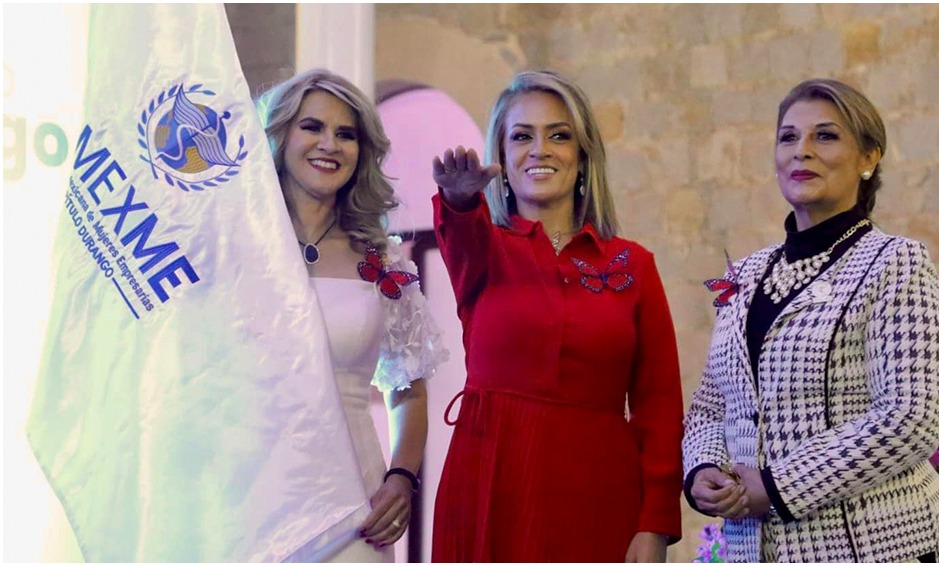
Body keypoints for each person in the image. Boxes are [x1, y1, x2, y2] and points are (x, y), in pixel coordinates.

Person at [682, 78, 939, 562]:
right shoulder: (745, 274)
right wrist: (703, 469)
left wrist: (777, 486)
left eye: (825, 136)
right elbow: (712, 406)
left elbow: (910, 418)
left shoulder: (895, 263)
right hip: (755, 549)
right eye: (788, 137)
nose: (802, 150)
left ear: (868, 158)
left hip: (880, 546)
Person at [429, 70, 684, 562]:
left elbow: (659, 407)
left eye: (559, 135)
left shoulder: (633, 265)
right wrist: (460, 200)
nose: (540, 150)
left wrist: (654, 523)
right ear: (501, 157)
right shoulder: (482, 248)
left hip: (598, 494)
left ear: (583, 155)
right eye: (522, 136)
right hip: (490, 485)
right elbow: (460, 236)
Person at [257, 68, 447, 562]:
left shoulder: (381, 260)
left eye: (346, 134)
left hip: (352, 504)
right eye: (312, 127)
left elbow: (408, 390)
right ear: (280, 135)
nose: (330, 144)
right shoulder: (238, 247)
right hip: (247, 495)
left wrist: (401, 478)